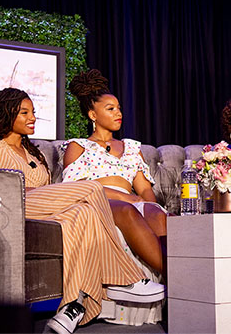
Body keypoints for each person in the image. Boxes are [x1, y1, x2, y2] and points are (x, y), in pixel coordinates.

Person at [0, 88, 165, 334]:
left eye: (33, 112)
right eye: (24, 113)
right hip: (14, 206)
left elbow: (47, 191)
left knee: (84, 213)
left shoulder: (31, 152)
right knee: (91, 189)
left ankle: (72, 308)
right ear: (6, 114)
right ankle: (126, 276)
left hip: (42, 209)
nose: (33, 118)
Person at [61, 69, 168, 325]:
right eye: (110, 108)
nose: (118, 113)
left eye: (119, 107)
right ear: (92, 115)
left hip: (133, 201)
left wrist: (148, 203)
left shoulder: (132, 147)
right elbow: (77, 187)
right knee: (128, 208)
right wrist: (127, 198)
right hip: (99, 202)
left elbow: (143, 189)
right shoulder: (78, 147)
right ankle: (183, 280)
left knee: (156, 212)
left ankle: (180, 275)